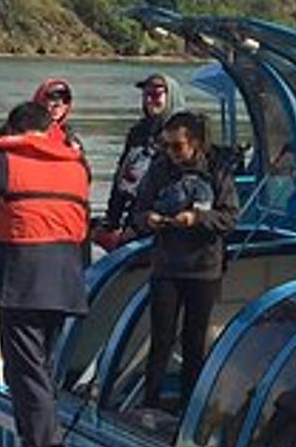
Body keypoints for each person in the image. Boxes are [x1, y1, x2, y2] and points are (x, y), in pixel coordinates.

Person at [0, 99, 91, 447]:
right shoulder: (75, 163)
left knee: (25, 367)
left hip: (21, 272)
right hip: (67, 272)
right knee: (41, 367)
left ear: (13, 129)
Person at [126, 110, 239, 419]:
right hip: (167, 265)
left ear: (196, 144)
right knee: (160, 336)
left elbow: (229, 218)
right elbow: (138, 211)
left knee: (194, 339)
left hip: (203, 267)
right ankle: (150, 402)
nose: (172, 154)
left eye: (178, 147)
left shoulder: (217, 171)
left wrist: (198, 218)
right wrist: (147, 219)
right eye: (167, 146)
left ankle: (190, 406)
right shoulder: (160, 170)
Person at [98, 71, 185, 246]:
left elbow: (179, 191)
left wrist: (140, 227)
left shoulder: (183, 134)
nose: (149, 100)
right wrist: (112, 220)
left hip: (163, 224)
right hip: (134, 214)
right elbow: (121, 178)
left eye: (156, 94)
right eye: (146, 94)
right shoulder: (138, 132)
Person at [33, 77, 84, 154]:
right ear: (40, 100)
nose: (59, 104)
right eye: (53, 97)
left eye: (66, 99)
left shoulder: (70, 137)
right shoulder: (21, 129)